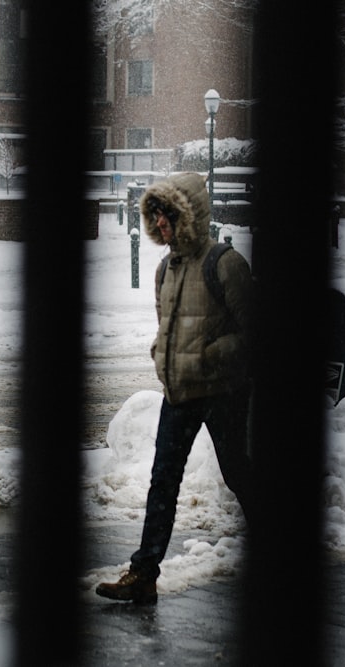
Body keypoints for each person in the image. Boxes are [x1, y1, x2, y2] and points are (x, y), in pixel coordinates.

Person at [96, 172, 256, 605]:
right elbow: (167, 324)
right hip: (180, 392)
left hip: (223, 392)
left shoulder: (225, 263)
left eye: (168, 215)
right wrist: (161, 353)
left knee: (240, 474)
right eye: (156, 216)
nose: (161, 224)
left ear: (189, 215)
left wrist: (210, 356)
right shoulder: (166, 267)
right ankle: (144, 573)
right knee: (162, 481)